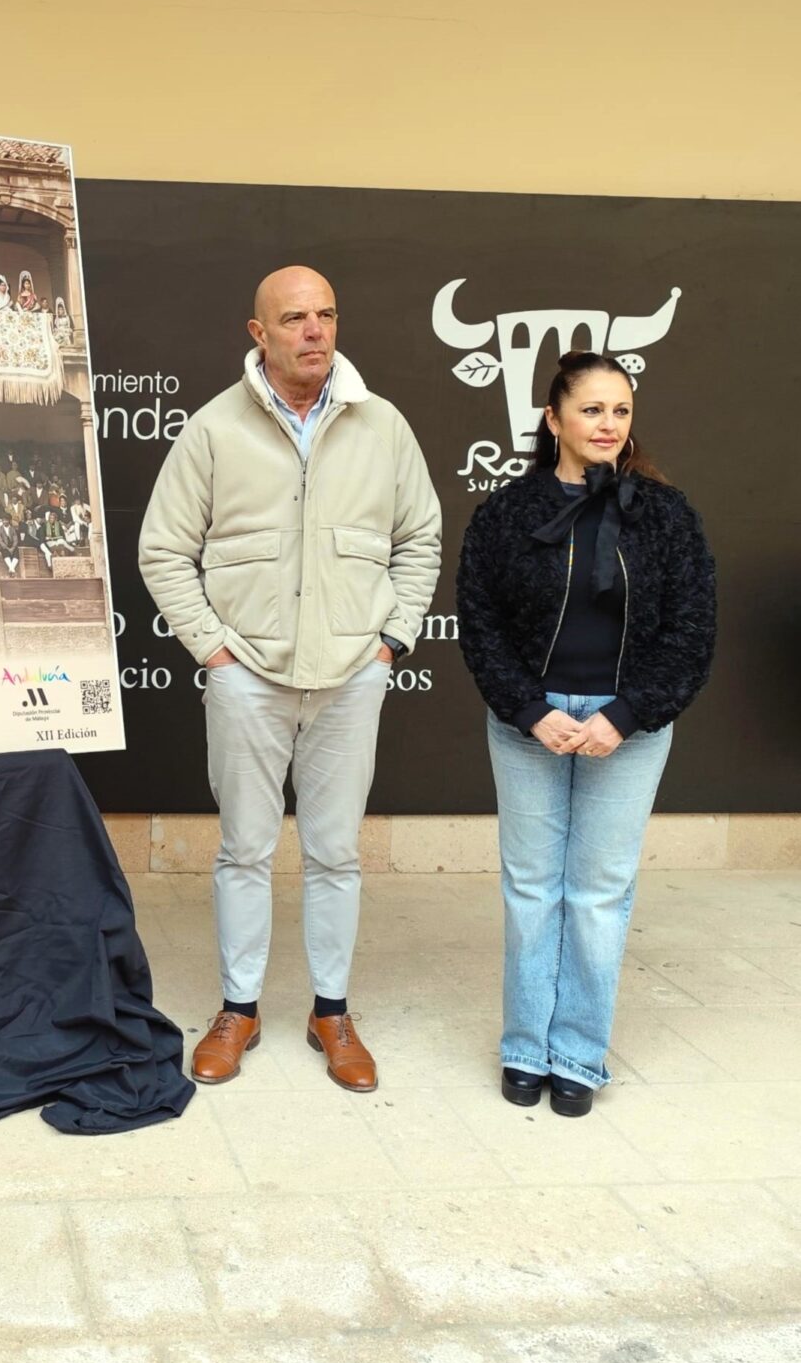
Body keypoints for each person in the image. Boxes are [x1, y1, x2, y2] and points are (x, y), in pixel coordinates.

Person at [139, 265, 441, 1090]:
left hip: (352, 675)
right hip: (247, 677)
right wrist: (213, 650)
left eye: (326, 316)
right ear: (258, 333)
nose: (314, 331)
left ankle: (330, 1013)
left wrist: (389, 643)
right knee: (243, 848)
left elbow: (420, 539)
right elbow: (163, 549)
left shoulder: (381, 426)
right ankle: (238, 1010)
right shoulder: (211, 430)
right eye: (295, 318)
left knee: (335, 853)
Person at [456, 351, 716, 1117]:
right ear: (552, 419)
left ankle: (577, 1052)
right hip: (527, 725)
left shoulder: (667, 516)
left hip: (625, 728)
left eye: (621, 411)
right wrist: (529, 710)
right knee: (532, 890)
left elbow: (691, 632)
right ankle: (523, 1047)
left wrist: (625, 715)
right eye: (592, 409)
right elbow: (481, 625)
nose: (608, 425)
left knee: (598, 894)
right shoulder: (505, 514)